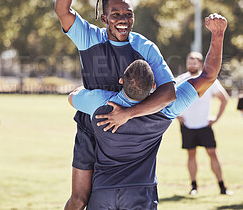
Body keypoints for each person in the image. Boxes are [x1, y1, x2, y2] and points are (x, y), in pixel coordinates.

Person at [68, 13, 227, 209]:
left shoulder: (100, 103)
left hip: (103, 193)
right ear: (154, 85)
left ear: (121, 81)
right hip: (141, 194)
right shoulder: (168, 107)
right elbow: (209, 76)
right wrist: (218, 34)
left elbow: (72, 97)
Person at [55, 0, 177, 209]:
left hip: (125, 133)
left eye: (128, 14)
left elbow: (168, 92)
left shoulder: (145, 47)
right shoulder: (90, 37)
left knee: (119, 197)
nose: (123, 19)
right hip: (90, 128)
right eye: (116, 14)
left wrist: (128, 113)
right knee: (79, 199)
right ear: (104, 18)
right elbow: (62, 10)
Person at [175, 52, 232, 196]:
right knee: (191, 154)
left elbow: (224, 99)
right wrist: (177, 116)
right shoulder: (181, 79)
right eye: (190, 61)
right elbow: (169, 98)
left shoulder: (209, 79)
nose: (192, 64)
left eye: (195, 61)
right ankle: (193, 186)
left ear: (200, 64)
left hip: (205, 126)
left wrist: (216, 118)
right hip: (187, 126)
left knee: (212, 153)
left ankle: (222, 187)